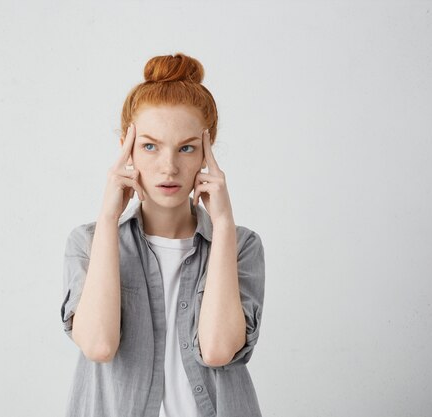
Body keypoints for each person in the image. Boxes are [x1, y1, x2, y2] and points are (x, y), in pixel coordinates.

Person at [60, 52, 266, 417]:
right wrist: (109, 218)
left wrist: (223, 227)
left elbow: (218, 349)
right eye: (150, 146)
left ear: (206, 150)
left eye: (186, 147)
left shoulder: (240, 245)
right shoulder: (89, 242)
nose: (168, 167)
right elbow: (98, 345)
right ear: (128, 146)